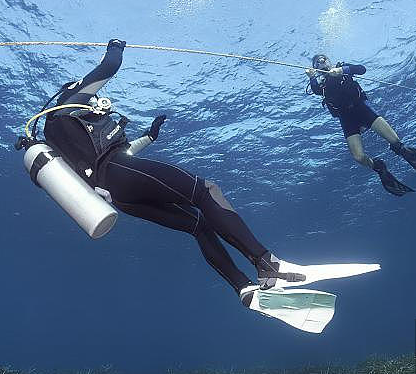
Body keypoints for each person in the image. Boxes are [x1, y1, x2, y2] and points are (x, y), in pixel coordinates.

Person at [41, 39, 303, 310]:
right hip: (118, 172)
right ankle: (267, 264)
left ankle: (244, 288)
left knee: (198, 226)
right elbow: (110, 66)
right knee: (204, 191)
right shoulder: (70, 101)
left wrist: (150, 137)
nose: (97, 101)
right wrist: (116, 46)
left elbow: (109, 157)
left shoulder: (56, 133)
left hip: (119, 197)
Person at [306, 54, 416, 197]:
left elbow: (362, 69)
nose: (321, 62)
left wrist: (342, 70)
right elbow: (315, 91)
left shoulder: (341, 68)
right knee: (359, 157)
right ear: (316, 68)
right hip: (346, 118)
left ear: (329, 61)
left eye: (323, 59)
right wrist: (311, 77)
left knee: (395, 141)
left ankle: (402, 150)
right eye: (317, 63)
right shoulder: (320, 84)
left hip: (361, 109)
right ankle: (379, 167)